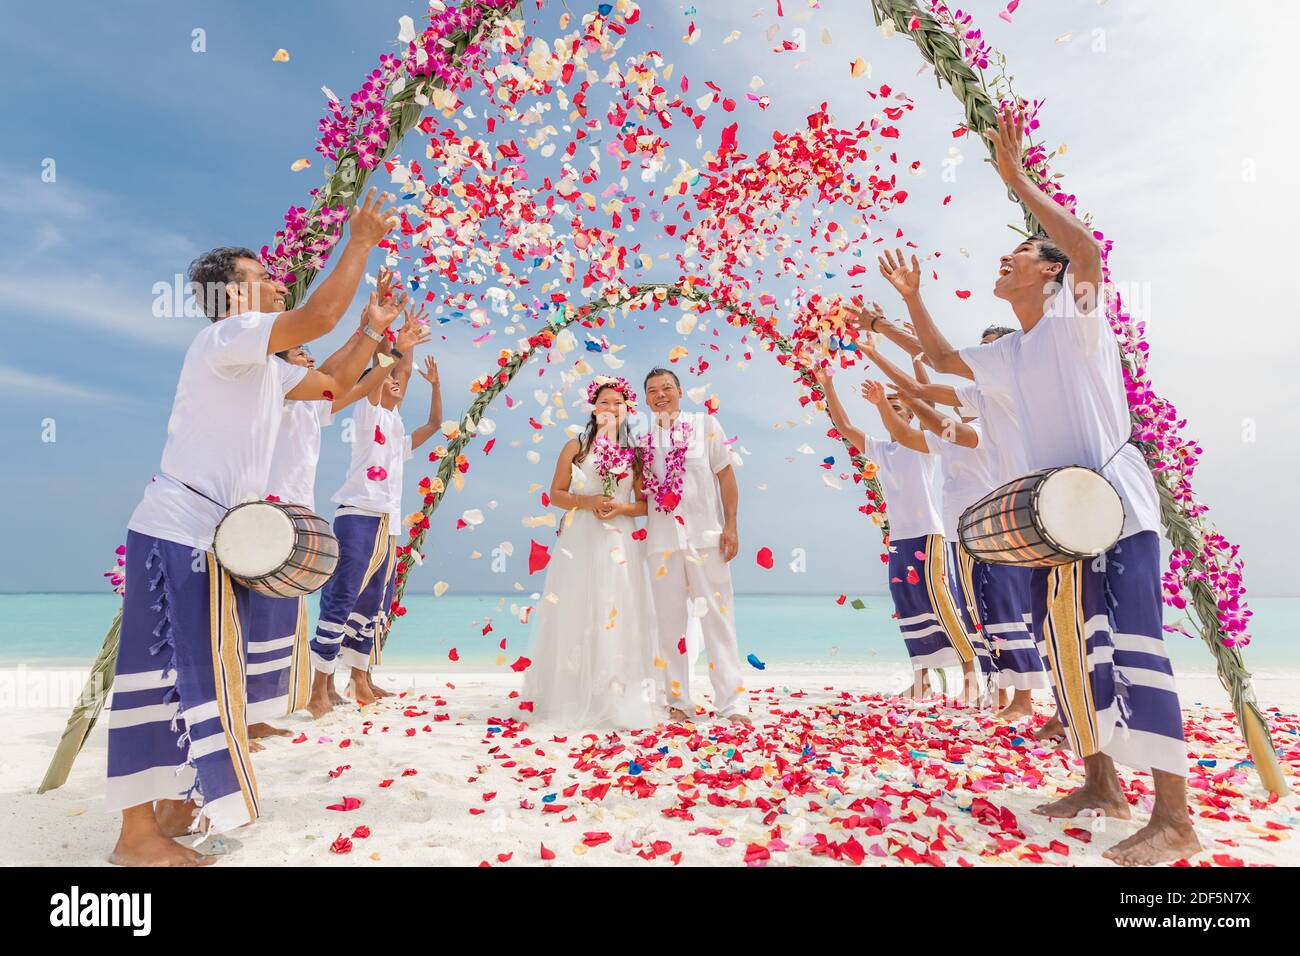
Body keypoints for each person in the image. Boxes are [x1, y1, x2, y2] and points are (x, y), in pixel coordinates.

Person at [873, 105, 1198, 865]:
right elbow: (942, 362)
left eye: (1017, 253)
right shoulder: (1010, 353)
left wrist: (1018, 180)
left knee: (1136, 648)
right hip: (1060, 525)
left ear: (1047, 272)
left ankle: (1175, 816)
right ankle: (1102, 785)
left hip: (1119, 514)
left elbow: (1087, 253)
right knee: (1076, 654)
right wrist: (913, 300)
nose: (1004, 263)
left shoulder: (1075, 322)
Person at [106, 189, 399, 866]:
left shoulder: (257, 366)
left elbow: (329, 385)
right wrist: (357, 242)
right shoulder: (226, 337)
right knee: (160, 676)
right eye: (261, 276)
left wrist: (372, 331)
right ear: (230, 296)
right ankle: (134, 837)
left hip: (207, 542)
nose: (273, 281)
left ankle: (178, 804)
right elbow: (319, 315)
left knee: (199, 674)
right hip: (177, 536)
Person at [244, 271, 432, 730]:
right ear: (284, 363)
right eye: (299, 352)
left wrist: (389, 343)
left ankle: (264, 710)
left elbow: (352, 380)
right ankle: (260, 709)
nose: (308, 358)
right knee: (263, 611)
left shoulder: (313, 404)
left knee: (282, 614)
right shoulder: (278, 387)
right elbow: (337, 370)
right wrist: (371, 333)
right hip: (265, 511)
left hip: (296, 513)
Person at [855, 325, 1050, 718]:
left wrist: (905, 386)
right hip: (964, 532)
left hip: (1001, 525)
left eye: (992, 353)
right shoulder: (973, 409)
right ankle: (997, 690)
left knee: (1008, 609)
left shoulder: (989, 418)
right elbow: (922, 411)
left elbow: (933, 413)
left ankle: (1025, 699)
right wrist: (889, 360)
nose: (983, 363)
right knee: (979, 613)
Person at [306, 311, 441, 718]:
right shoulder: (368, 414)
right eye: (392, 378)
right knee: (341, 597)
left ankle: (359, 679)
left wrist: (427, 376)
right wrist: (394, 342)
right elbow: (384, 368)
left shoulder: (396, 431)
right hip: (358, 515)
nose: (399, 382)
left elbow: (435, 423)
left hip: (387, 523)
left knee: (372, 602)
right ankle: (318, 688)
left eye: (402, 380)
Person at [817, 369, 982, 702]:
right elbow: (845, 428)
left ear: (910, 413)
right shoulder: (882, 451)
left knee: (942, 605)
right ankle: (921, 681)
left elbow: (929, 407)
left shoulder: (920, 445)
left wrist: (908, 376)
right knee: (908, 608)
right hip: (899, 541)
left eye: (898, 406)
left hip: (928, 537)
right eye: (887, 406)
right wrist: (828, 384)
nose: (891, 409)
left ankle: (971, 678)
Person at [521, 376, 661, 727]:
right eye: (604, 402)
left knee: (617, 605)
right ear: (593, 408)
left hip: (620, 537)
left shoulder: (636, 453)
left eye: (618, 403)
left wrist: (619, 507)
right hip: (581, 535)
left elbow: (645, 504)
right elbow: (556, 494)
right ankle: (570, 693)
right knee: (577, 606)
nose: (611, 408)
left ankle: (615, 695)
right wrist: (587, 501)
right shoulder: (576, 447)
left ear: (628, 409)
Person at [640, 369, 750, 724]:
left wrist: (730, 525)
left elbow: (726, 477)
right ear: (645, 399)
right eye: (653, 391)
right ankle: (678, 703)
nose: (660, 395)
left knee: (717, 620)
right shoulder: (640, 437)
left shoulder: (705, 425)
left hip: (706, 537)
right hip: (662, 542)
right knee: (669, 626)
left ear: (680, 391)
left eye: (667, 388)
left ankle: (732, 703)